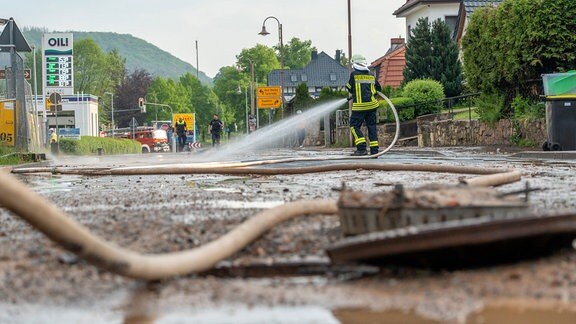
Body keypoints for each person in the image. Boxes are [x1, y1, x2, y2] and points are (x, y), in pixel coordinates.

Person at [346, 54, 382, 156]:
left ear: (354, 64)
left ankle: (361, 148)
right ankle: (374, 151)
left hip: (360, 107)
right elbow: (378, 89)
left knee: (354, 126)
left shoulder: (354, 74)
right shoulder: (371, 75)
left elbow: (349, 87)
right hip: (372, 106)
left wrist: (356, 93)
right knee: (372, 127)